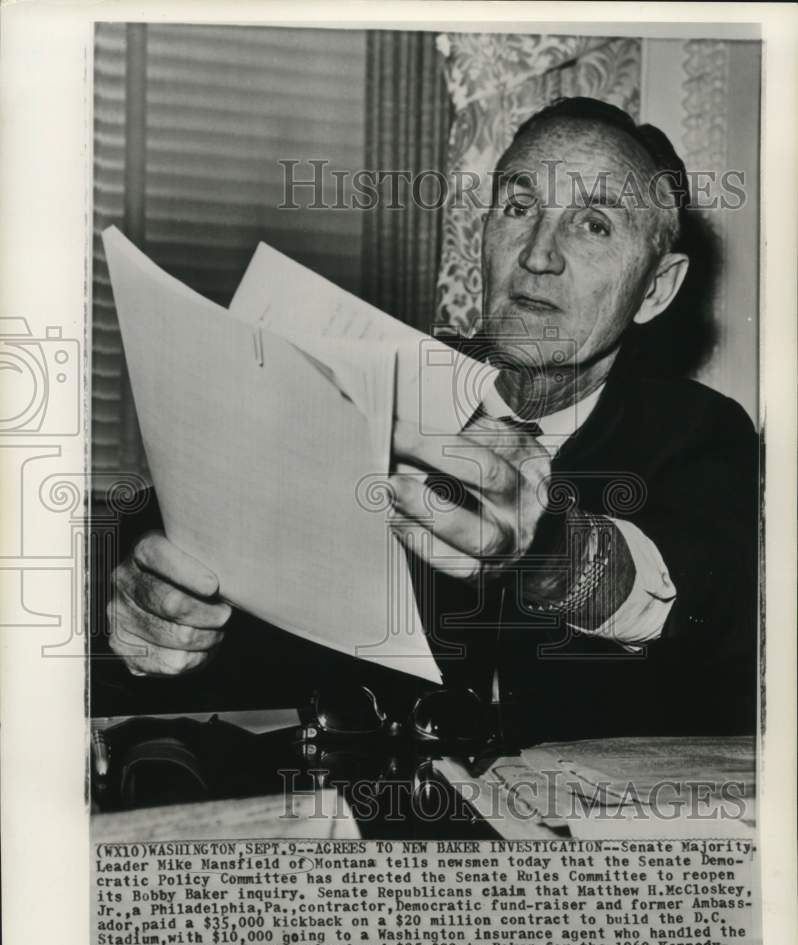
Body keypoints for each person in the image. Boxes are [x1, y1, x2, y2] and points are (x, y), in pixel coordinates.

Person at [98, 98, 757, 740]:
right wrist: (157, 615)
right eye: (520, 208)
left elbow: (709, 606)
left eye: (594, 225)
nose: (538, 254)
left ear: (657, 288)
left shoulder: (701, 436)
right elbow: (188, 555)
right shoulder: (371, 381)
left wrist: (553, 552)